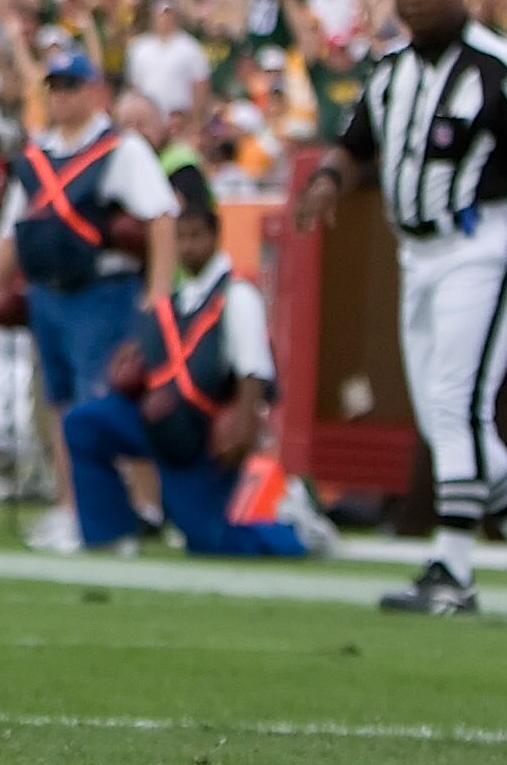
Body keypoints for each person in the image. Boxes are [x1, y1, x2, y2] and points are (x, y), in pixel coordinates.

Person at [297, 0, 507, 617]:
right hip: (417, 252)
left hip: (483, 241)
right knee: (447, 418)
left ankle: (454, 565)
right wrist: (326, 179)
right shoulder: (390, 71)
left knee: (456, 404)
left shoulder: (500, 68)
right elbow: (354, 145)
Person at [0, 50, 181, 553]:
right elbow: (11, 235)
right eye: (55, 88)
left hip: (104, 292)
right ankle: (76, 508)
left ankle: (133, 507)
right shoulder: (37, 157)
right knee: (60, 404)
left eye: (71, 86)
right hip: (50, 294)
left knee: (102, 399)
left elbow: (161, 218)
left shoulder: (121, 149)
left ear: (94, 92)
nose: (62, 97)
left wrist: (157, 291)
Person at [64, 203, 328, 558]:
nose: (187, 246)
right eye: (181, 238)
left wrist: (244, 429)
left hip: (202, 433)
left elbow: (255, 371)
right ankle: (110, 534)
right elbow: (149, 362)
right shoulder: (171, 301)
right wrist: (127, 371)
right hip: (157, 421)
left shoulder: (236, 296)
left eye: (196, 237)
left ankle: (295, 532)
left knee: (208, 539)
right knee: (84, 424)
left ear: (215, 237)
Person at [123, 0, 211, 117]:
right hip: (150, 117)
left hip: (179, 117)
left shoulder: (190, 47)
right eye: (161, 15)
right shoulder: (139, 47)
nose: (164, 19)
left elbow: (200, 84)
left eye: (169, 15)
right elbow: (133, 85)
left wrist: (195, 116)